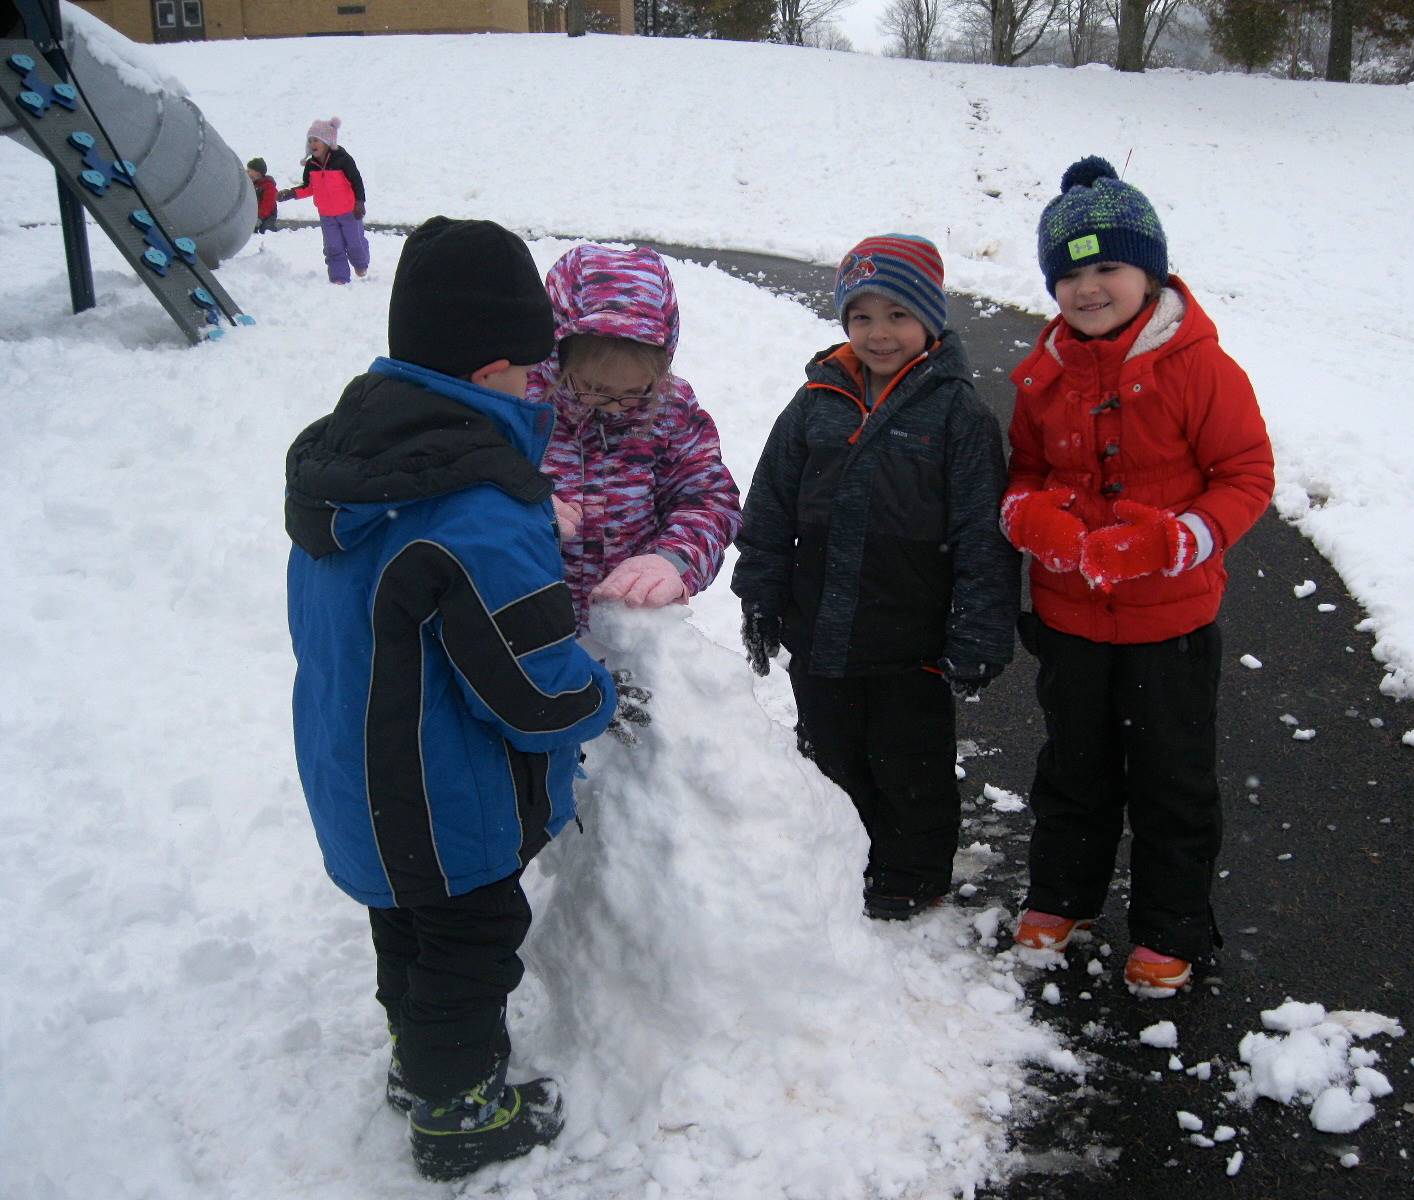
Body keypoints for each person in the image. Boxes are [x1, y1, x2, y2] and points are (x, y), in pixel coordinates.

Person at [284, 217, 626, 1181]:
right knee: (472, 949)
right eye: (531, 369)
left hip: (359, 770)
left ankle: (420, 1069)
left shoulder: (349, 467)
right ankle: (459, 1114)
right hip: (442, 801)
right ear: (489, 376)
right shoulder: (478, 505)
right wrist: (600, 695)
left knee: (408, 934)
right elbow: (529, 688)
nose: (538, 388)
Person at [1002, 156, 1274, 997]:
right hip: (1072, 619)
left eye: (1106, 267)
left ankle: (1170, 927)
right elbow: (1020, 475)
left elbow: (1247, 475)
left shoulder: (1200, 368)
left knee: (1171, 779)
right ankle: (1064, 896)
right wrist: (1032, 519)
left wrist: (1175, 542)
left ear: (1148, 271)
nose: (1087, 289)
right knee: (1073, 767)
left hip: (1171, 624)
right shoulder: (1042, 375)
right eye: (1069, 274)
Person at [732, 234, 1019, 921]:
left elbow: (985, 533)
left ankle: (910, 872)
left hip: (910, 637)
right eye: (861, 316)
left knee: (910, 764)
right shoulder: (816, 401)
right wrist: (762, 592)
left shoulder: (958, 415)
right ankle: (841, 855)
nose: (879, 333)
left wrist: (978, 631)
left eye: (897, 314)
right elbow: (769, 507)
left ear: (930, 319)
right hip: (821, 627)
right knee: (831, 754)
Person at [528, 243, 741, 632]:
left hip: (631, 631)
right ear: (558, 353)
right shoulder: (521, 405)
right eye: (594, 388)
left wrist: (671, 559)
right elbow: (465, 485)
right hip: (527, 628)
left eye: (633, 393)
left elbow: (708, 500)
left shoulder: (670, 407)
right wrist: (517, 510)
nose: (614, 407)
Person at [276, 116, 369, 284]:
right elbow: (309, 187)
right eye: (310, 140)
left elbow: (356, 182)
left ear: (327, 141)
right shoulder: (311, 166)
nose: (312, 144)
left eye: (316, 140)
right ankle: (339, 277)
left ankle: (360, 264)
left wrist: (359, 202)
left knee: (355, 243)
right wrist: (291, 193)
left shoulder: (342, 160)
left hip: (349, 212)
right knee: (333, 246)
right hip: (327, 215)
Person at [245, 157, 276, 233]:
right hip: (253, 214)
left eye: (249, 171)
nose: (246, 173)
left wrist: (259, 217)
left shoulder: (268, 186)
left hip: (267, 216)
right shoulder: (251, 184)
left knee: (265, 231)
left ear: (258, 174)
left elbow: (268, 204)